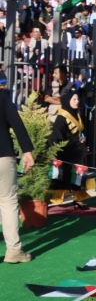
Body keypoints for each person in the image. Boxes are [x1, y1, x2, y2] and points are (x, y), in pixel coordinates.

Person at [0, 72, 34, 263]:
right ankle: (13, 250)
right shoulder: (3, 99)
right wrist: (27, 151)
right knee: (8, 202)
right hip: (3, 155)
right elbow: (17, 124)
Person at [49, 92, 89, 207]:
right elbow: (58, 136)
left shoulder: (77, 114)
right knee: (63, 176)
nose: (77, 101)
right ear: (67, 101)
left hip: (76, 151)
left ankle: (78, 198)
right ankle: (56, 199)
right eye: (74, 99)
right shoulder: (62, 118)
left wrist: (82, 140)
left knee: (78, 175)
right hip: (66, 152)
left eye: (77, 99)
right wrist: (76, 141)